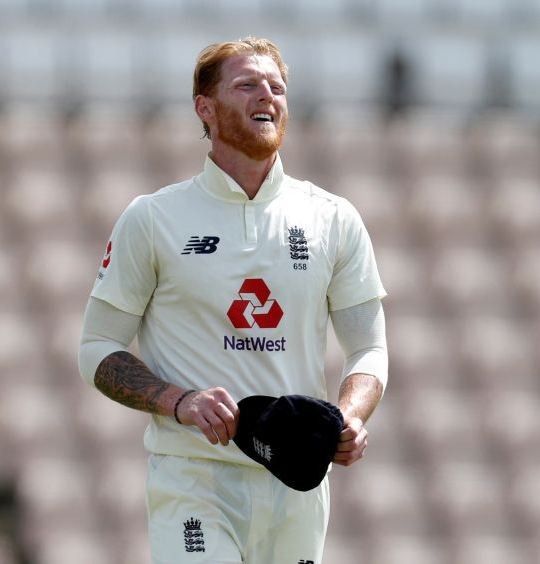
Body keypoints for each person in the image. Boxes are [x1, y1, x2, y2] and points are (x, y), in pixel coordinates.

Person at [78, 36, 388, 564]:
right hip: (194, 479)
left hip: (297, 486)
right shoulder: (153, 218)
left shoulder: (333, 218)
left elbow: (369, 349)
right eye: (247, 85)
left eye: (277, 87)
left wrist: (347, 418)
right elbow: (97, 349)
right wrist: (179, 401)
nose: (266, 95)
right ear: (205, 107)